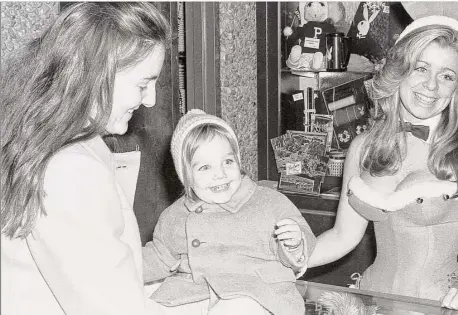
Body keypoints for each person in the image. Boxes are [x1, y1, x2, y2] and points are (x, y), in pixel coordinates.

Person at [1, 3, 172, 315]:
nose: (151, 99)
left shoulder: (47, 138)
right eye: (143, 84)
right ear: (99, 73)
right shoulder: (71, 170)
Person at [307, 16, 458, 310]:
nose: (430, 85)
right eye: (421, 68)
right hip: (373, 300)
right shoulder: (364, 146)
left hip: (439, 306)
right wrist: (289, 260)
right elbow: (343, 235)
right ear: (399, 72)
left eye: (447, 75)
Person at [142, 109, 316, 315]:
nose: (220, 174)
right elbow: (159, 257)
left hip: (258, 294)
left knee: (236, 308)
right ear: (185, 175)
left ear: (238, 161)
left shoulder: (268, 202)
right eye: (205, 167)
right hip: (195, 292)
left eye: (228, 162)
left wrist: (294, 244)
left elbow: (304, 239)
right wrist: (117, 267)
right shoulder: (175, 216)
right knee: (145, 304)